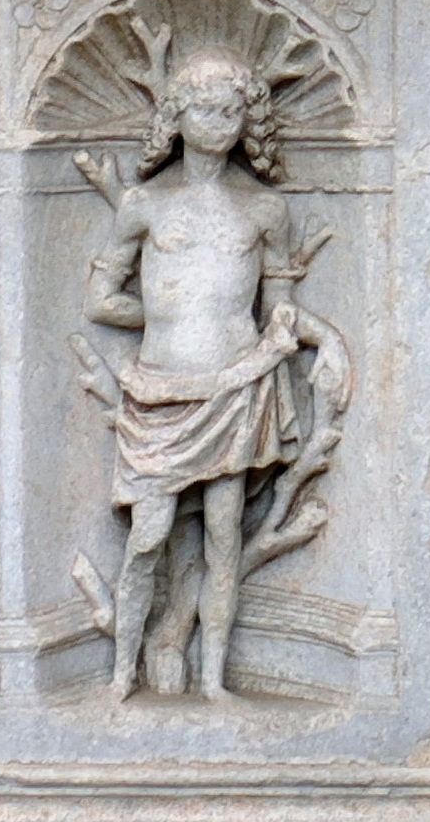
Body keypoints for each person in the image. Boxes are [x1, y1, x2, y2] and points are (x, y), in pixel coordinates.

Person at [83, 45, 307, 699]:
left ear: (248, 119)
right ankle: (123, 672)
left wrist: (268, 346)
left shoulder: (265, 209)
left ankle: (213, 679)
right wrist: (160, 320)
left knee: (223, 534)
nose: (219, 122)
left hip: (238, 385)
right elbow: (100, 299)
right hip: (159, 390)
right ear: (177, 116)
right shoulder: (143, 204)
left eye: (232, 109)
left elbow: (282, 307)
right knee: (147, 535)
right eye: (205, 108)